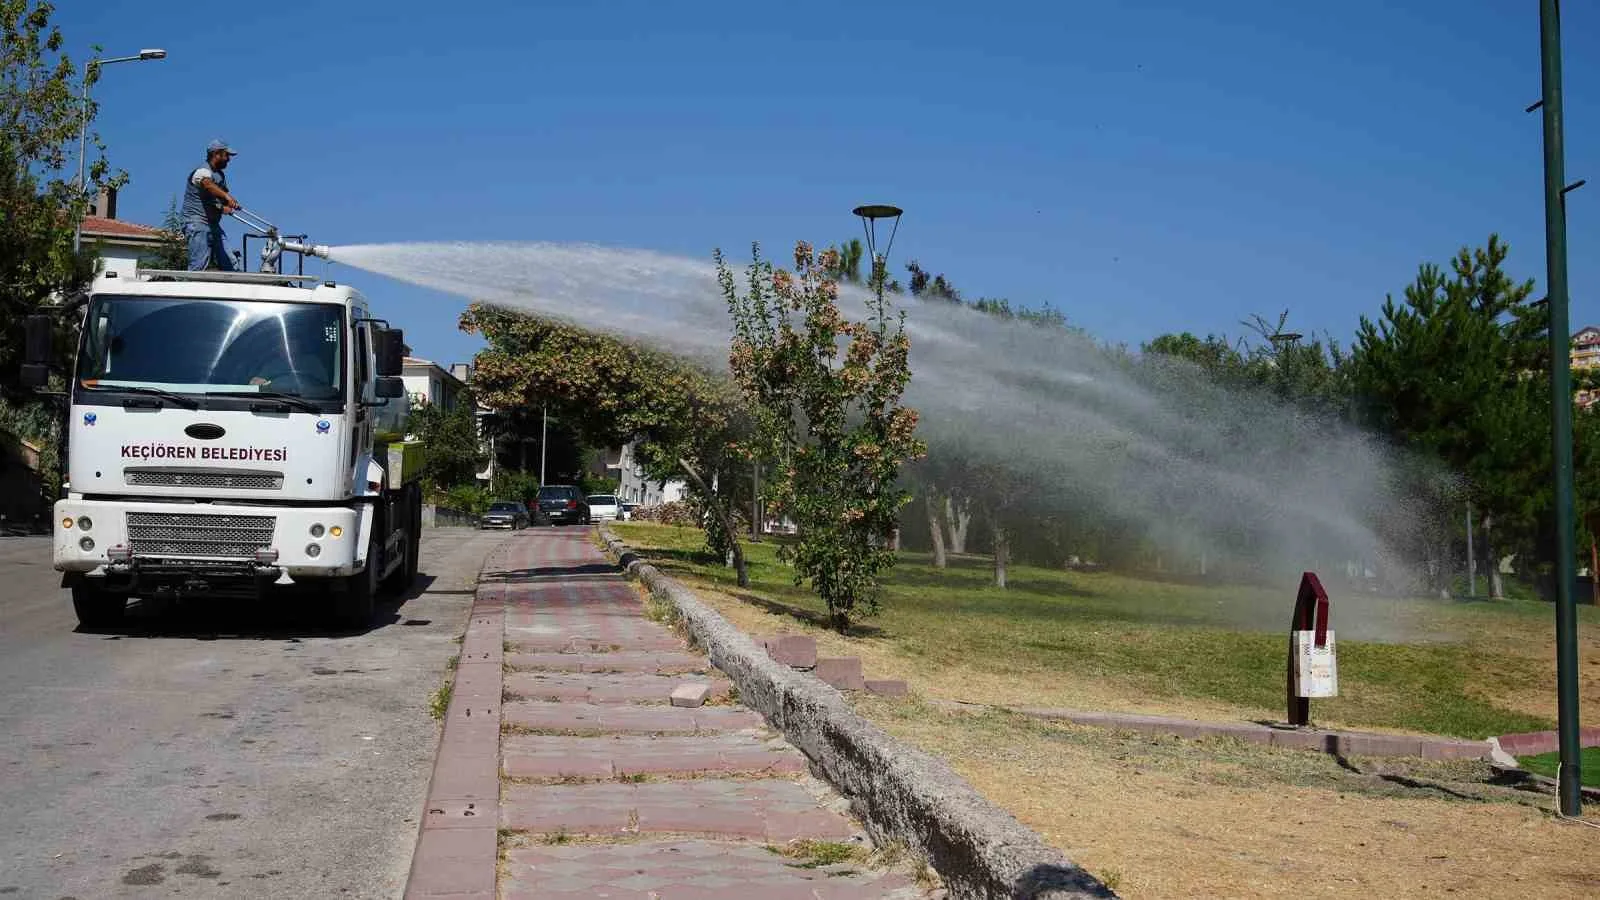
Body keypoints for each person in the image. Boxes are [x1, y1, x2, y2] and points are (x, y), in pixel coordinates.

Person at [182, 140, 242, 270]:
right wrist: (227, 198)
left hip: (213, 224)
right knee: (199, 264)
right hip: (197, 223)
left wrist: (228, 205)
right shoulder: (201, 171)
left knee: (231, 263)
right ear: (216, 154)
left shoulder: (220, 175)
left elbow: (217, 198)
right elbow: (207, 184)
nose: (229, 160)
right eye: (226, 155)